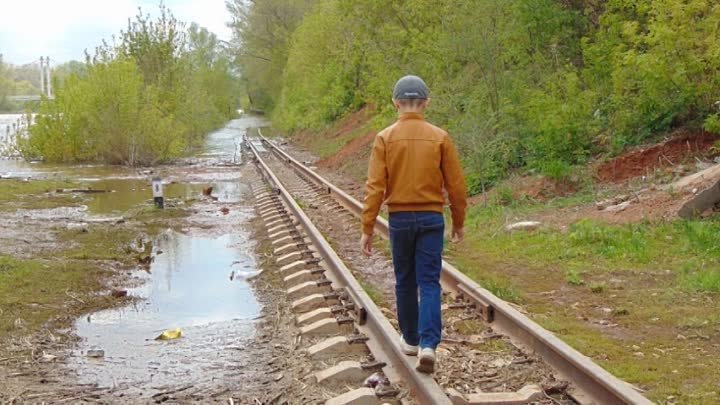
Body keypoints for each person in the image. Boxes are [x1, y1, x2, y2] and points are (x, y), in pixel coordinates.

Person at [360, 75, 467, 373]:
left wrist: (367, 227)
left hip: (400, 219)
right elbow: (456, 187)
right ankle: (429, 345)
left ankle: (409, 339)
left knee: (405, 280)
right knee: (429, 282)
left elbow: (375, 187)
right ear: (425, 104)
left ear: (396, 103)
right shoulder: (440, 137)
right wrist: (458, 222)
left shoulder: (385, 138)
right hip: (432, 218)